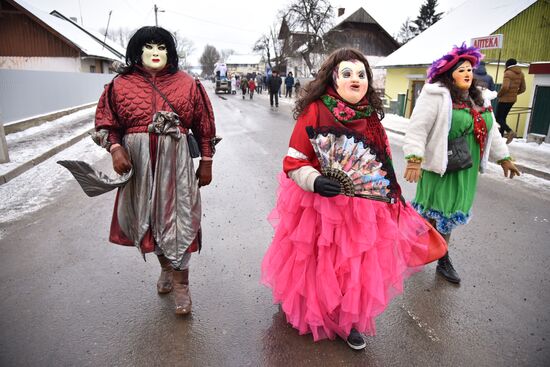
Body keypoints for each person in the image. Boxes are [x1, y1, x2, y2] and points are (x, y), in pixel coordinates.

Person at [261, 48, 447, 350]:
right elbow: (294, 160)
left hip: (362, 207)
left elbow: (381, 162)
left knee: (354, 265)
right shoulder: (317, 110)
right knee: (315, 260)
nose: (355, 79)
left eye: (361, 74)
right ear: (333, 78)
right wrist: (316, 180)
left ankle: (349, 322)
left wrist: (390, 196)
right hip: (318, 205)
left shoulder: (370, 117)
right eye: (347, 73)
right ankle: (308, 306)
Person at [94, 26, 217, 315]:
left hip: (176, 165)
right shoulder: (119, 85)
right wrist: (115, 148)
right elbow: (106, 124)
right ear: (137, 51)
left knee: (178, 220)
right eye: (149, 46)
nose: (155, 52)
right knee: (147, 221)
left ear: (170, 52)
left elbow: (204, 126)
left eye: (162, 47)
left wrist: (207, 161)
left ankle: (182, 284)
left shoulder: (187, 83)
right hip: (138, 167)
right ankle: (166, 270)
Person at [403, 43, 520, 284]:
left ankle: (424, 248)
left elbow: (492, 131)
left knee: (449, 212)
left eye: (469, 69)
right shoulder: (436, 95)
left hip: (466, 167)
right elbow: (418, 128)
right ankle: (439, 256)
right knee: (436, 211)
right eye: (461, 70)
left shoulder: (480, 99)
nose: (467, 73)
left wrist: (504, 158)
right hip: (442, 165)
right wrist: (414, 159)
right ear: (449, 74)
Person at [496, 58, 526, 144]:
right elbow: (523, 89)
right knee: (503, 118)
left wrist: (499, 95)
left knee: (498, 118)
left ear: (507, 65)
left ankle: (510, 131)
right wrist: (514, 94)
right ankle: (500, 137)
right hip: (512, 100)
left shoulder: (508, 73)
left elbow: (505, 87)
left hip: (504, 99)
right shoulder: (521, 74)